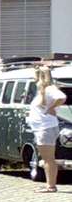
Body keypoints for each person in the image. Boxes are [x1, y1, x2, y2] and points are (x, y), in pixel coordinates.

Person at [28, 65, 67, 193]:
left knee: (48, 159)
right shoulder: (42, 91)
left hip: (46, 128)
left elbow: (62, 97)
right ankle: (50, 184)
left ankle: (51, 186)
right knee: (47, 158)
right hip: (42, 128)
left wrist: (51, 108)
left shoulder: (50, 88)